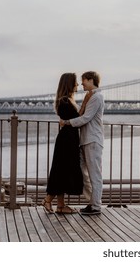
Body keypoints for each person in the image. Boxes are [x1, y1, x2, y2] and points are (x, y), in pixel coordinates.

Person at [61, 71, 105, 215]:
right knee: (82, 173)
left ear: (91, 80)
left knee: (94, 175)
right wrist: (85, 102)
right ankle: (92, 202)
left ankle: (96, 206)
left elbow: (86, 118)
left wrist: (67, 122)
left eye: (83, 80)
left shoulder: (97, 96)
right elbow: (82, 115)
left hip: (92, 140)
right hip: (86, 140)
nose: (81, 83)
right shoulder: (90, 96)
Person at [42, 73, 84, 214]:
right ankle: (48, 200)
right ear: (69, 84)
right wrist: (87, 102)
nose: (78, 85)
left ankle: (60, 205)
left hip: (68, 139)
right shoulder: (65, 102)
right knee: (62, 171)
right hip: (67, 140)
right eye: (75, 83)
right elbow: (79, 119)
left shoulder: (66, 100)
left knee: (62, 171)